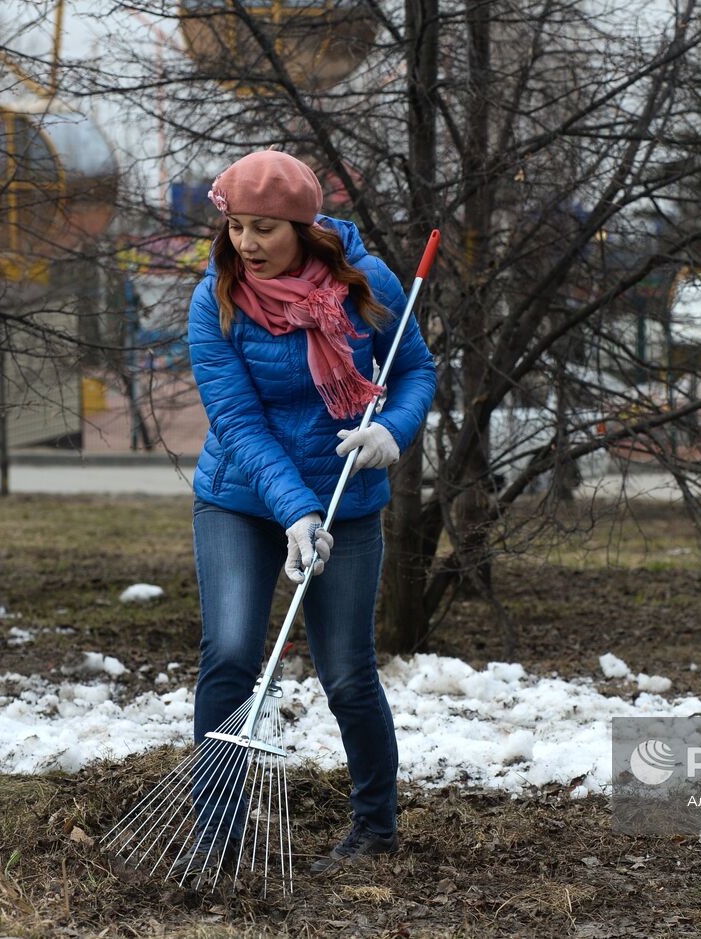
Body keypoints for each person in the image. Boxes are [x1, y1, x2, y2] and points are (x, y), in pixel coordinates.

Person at [183, 150, 436, 875]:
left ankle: (375, 827)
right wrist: (294, 513)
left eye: (264, 228)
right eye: (237, 227)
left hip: (346, 500)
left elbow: (415, 369)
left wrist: (395, 428)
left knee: (349, 672)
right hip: (239, 498)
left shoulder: (368, 285)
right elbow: (238, 421)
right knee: (231, 654)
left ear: (303, 225)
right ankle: (219, 832)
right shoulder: (217, 300)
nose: (247, 244)